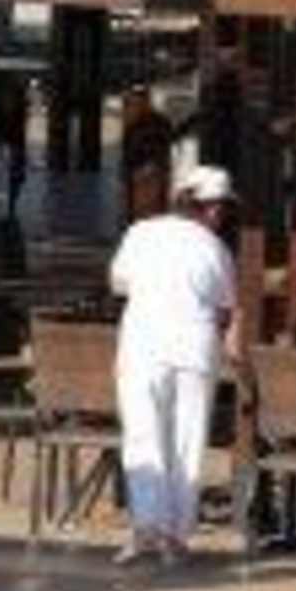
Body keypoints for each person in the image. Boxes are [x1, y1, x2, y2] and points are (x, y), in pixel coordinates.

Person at [107, 164, 239, 567]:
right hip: (194, 348)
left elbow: (119, 283)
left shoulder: (141, 233)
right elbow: (225, 307)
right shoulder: (216, 249)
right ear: (203, 207)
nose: (219, 214)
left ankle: (148, 528)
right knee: (187, 439)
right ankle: (173, 535)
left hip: (144, 345)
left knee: (143, 436)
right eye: (216, 206)